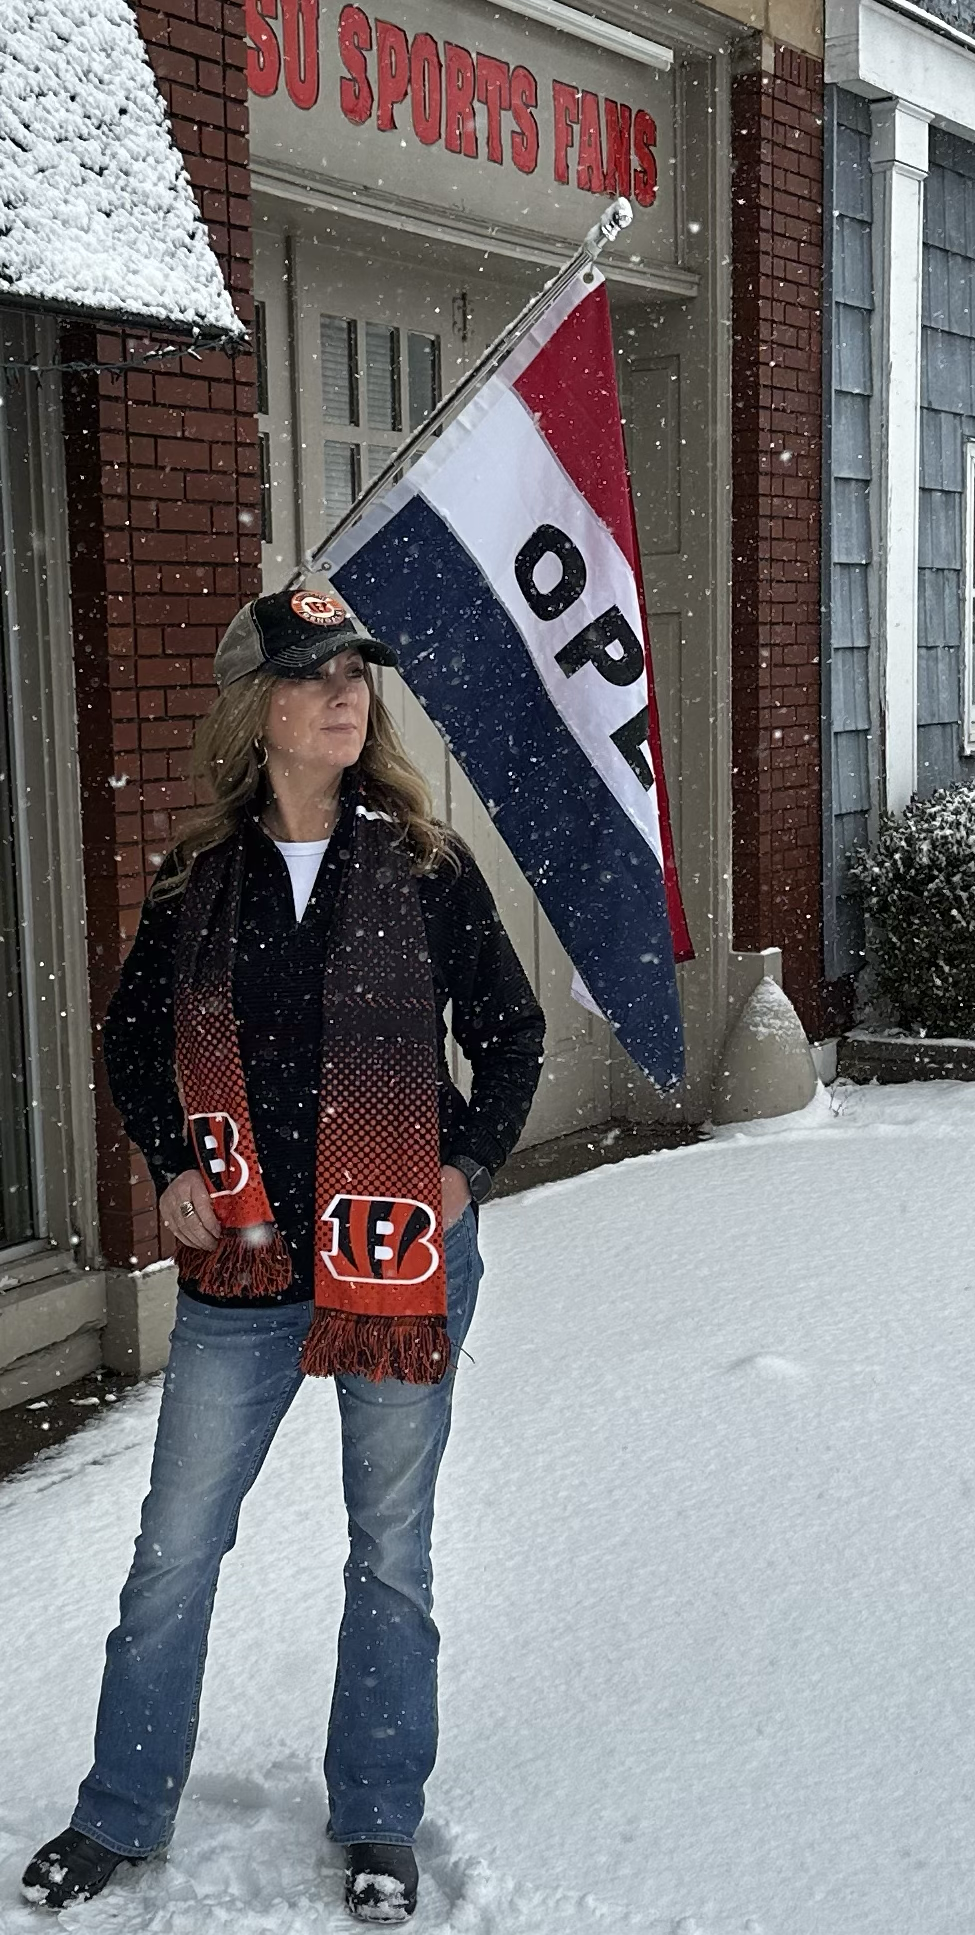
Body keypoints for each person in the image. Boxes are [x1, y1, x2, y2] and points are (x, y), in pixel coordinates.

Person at [21, 585, 546, 1924]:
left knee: (390, 1551)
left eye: (356, 672)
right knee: (175, 1550)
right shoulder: (202, 878)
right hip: (244, 1271)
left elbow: (514, 1030)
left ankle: (378, 1812)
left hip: (395, 1256)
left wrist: (462, 1166)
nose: (345, 694)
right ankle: (120, 1808)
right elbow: (137, 1038)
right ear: (258, 708)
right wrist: (173, 1164)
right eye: (313, 675)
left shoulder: (423, 864)